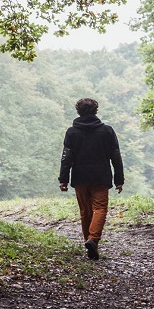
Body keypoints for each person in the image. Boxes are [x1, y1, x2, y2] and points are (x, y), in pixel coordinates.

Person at [58, 98, 124, 260]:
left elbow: (66, 157)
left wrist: (63, 179)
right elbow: (116, 156)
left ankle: (89, 243)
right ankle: (93, 239)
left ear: (78, 111)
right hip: (101, 177)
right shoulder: (107, 131)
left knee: (85, 212)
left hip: (80, 177)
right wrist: (119, 178)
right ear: (96, 110)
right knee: (100, 209)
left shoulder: (72, 132)